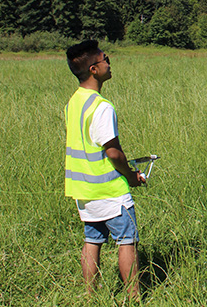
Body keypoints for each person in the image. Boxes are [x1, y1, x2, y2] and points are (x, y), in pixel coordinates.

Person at [64, 40, 145, 298]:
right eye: (105, 58)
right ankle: (133, 297)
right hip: (109, 189)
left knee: (92, 241)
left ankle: (90, 295)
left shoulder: (73, 103)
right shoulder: (101, 106)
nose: (109, 62)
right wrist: (131, 176)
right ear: (94, 70)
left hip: (83, 191)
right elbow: (113, 152)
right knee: (127, 241)